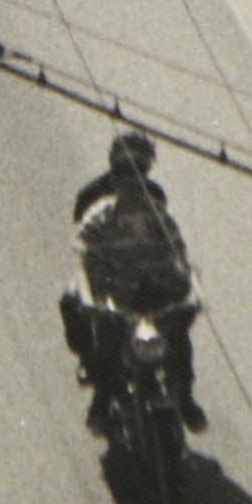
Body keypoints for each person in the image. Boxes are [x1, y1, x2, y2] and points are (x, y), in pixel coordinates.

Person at [67, 131, 200, 430]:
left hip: (150, 284)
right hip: (112, 282)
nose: (133, 177)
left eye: (139, 169)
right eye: (127, 169)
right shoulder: (94, 198)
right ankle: (98, 393)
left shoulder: (154, 197)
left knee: (178, 335)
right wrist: (97, 278)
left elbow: (173, 243)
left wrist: (184, 281)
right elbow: (85, 244)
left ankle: (186, 397)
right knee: (80, 311)